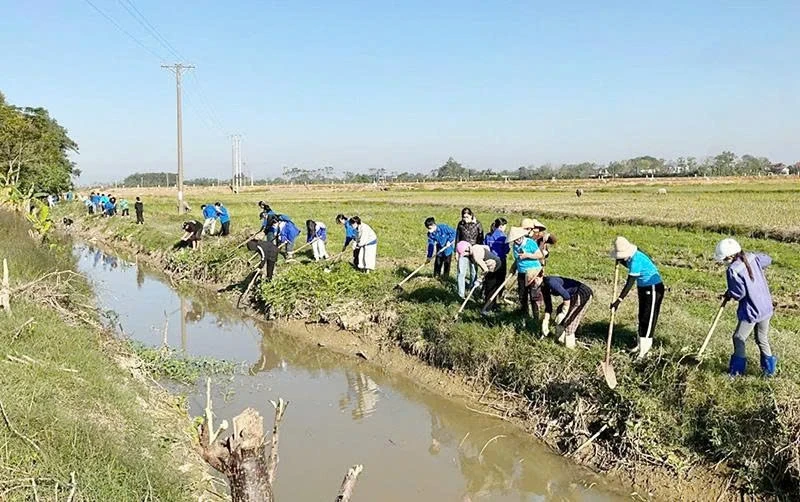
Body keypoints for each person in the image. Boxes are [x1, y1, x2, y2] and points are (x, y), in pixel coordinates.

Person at [714, 238, 776, 376]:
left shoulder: (733, 270)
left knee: (739, 337)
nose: (724, 261)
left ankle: (736, 371)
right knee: (762, 338)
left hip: (752, 310)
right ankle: (769, 371)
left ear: (730, 256)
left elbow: (738, 293)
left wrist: (730, 293)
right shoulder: (752, 257)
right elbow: (768, 259)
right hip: (766, 307)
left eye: (724, 259)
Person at [609, 236, 665, 359]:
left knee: (648, 318)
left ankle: (644, 351)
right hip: (643, 288)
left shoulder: (636, 261)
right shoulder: (629, 257)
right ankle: (639, 346)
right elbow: (625, 263)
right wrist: (619, 261)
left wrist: (619, 300)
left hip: (654, 288)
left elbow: (629, 283)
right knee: (641, 316)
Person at [539, 275, 593, 349]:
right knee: (559, 310)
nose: (533, 285)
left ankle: (570, 347)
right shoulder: (543, 286)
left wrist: (564, 313)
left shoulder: (550, 281)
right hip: (573, 295)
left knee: (569, 321)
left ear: (539, 277)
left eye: (533, 281)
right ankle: (560, 338)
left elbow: (566, 296)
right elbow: (548, 306)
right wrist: (545, 321)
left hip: (582, 293)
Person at [508, 226, 545, 325]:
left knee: (534, 295)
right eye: (515, 240)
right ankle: (524, 315)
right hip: (521, 273)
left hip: (533, 272)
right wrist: (513, 268)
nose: (517, 241)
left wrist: (527, 255)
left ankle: (536, 318)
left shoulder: (530, 243)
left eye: (518, 238)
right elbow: (518, 259)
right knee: (522, 295)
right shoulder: (515, 246)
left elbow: (539, 255)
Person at [457, 241, 502, 308]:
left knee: (490, 287)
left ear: (467, 250)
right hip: (491, 265)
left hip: (495, 266)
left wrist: (479, 279)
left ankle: (488, 308)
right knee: (487, 285)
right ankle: (488, 304)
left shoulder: (476, 256)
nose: (465, 256)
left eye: (464, 254)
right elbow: (487, 247)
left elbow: (485, 270)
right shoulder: (475, 246)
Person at [455, 208, 484, 298]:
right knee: (461, 272)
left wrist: (479, 251)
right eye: (463, 217)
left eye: (467, 217)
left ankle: (472, 290)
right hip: (462, 251)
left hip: (474, 251)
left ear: (471, 215)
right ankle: (460, 294)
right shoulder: (460, 224)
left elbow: (481, 239)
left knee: (473, 272)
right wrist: (456, 252)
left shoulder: (478, 224)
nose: (465, 219)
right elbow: (457, 238)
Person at [483, 218, 510, 310]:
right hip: (500, 261)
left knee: (489, 282)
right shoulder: (503, 237)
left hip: (489, 261)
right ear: (501, 226)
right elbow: (506, 250)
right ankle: (495, 302)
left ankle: (487, 302)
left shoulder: (488, 236)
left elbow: (485, 247)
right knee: (499, 282)